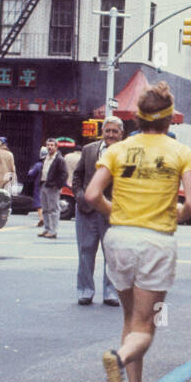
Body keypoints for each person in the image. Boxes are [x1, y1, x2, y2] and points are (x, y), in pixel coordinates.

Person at [88, 81, 191, 382]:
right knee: (145, 326)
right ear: (169, 121)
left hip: (119, 238)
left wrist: (117, 214)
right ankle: (118, 357)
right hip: (156, 241)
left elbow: (92, 195)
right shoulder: (180, 152)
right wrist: (174, 215)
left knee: (129, 319)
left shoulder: (118, 149)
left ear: (137, 118)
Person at [71, 118, 124, 306]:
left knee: (112, 254)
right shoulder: (89, 150)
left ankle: (111, 292)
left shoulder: (127, 153)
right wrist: (80, 196)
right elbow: (77, 175)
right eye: (108, 131)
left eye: (115, 132)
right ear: (102, 131)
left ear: (121, 134)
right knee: (85, 252)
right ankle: (85, 291)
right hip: (86, 210)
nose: (110, 135)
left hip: (113, 212)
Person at [38, 137, 65, 238]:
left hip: (52, 187)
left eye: (51, 145)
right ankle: (47, 228)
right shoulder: (46, 158)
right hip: (44, 184)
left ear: (56, 147)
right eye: (48, 145)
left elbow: (64, 174)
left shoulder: (59, 159)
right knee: (45, 208)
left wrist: (57, 185)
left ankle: (53, 231)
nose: (49, 147)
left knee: (53, 209)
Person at [26, 145, 46, 226]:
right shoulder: (51, 163)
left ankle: (42, 218)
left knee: (39, 203)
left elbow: (31, 174)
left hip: (39, 185)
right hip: (49, 185)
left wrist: (30, 170)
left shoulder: (38, 165)